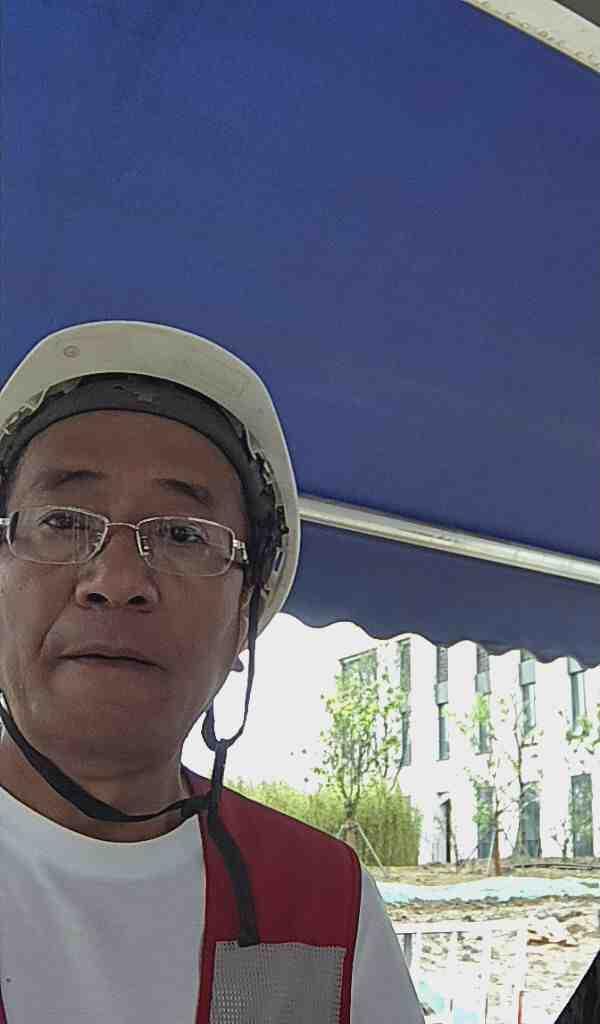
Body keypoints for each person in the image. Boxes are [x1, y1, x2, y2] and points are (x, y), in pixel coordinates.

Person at [0, 321, 424, 1023]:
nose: (116, 580)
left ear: (243, 619)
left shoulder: (326, 904)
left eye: (182, 535)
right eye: (64, 522)